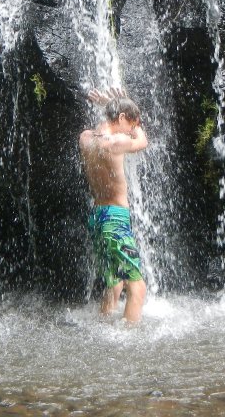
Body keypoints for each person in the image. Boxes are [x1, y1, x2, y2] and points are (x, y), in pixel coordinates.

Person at [79, 87, 149, 324]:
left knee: (114, 282)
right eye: (131, 124)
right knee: (137, 288)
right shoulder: (117, 142)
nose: (131, 129)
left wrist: (111, 107)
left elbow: (104, 128)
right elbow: (142, 141)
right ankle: (130, 338)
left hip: (97, 218)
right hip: (115, 220)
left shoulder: (86, 139)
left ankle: (103, 326)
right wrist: (117, 107)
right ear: (121, 118)